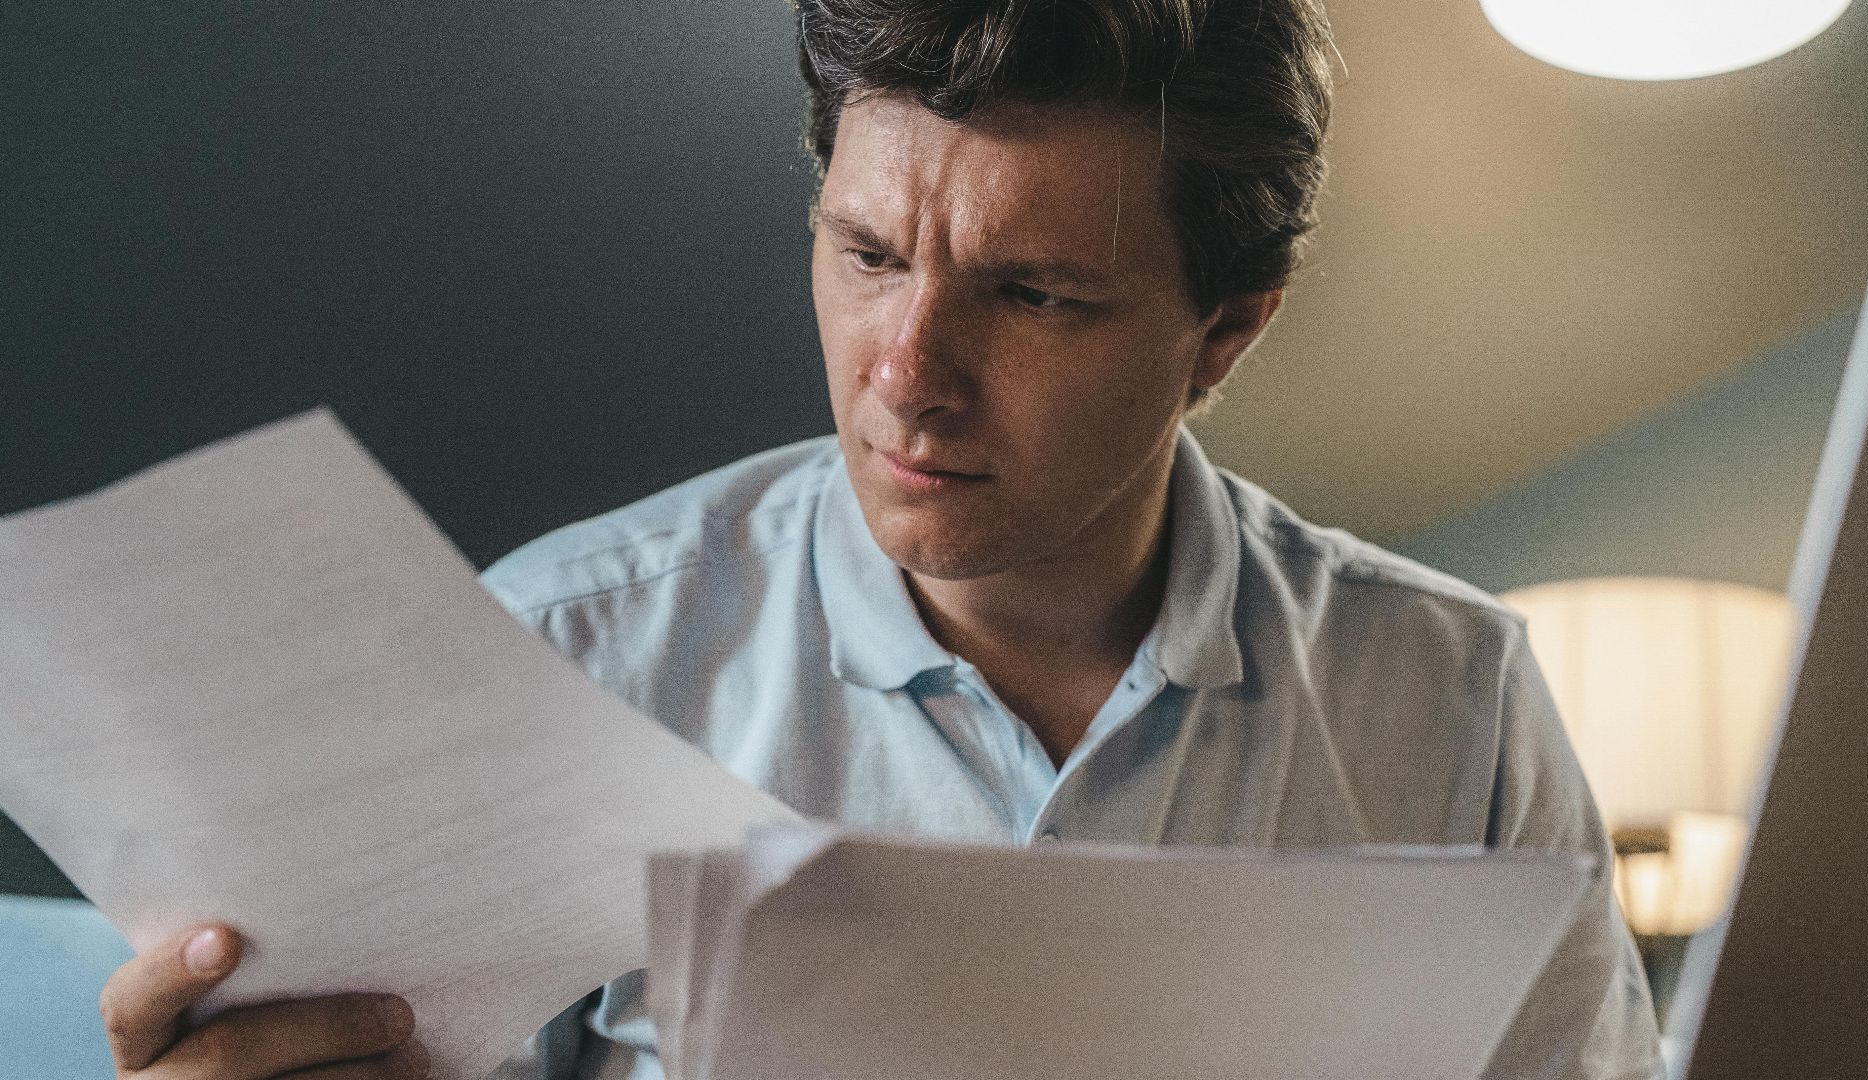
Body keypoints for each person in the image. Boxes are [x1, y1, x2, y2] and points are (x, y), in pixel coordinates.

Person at [96, 1, 1666, 1077]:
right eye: (866, 254)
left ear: (1226, 335)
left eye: (1033, 295)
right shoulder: (561, 657)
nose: (905, 377)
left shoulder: (1454, 699)